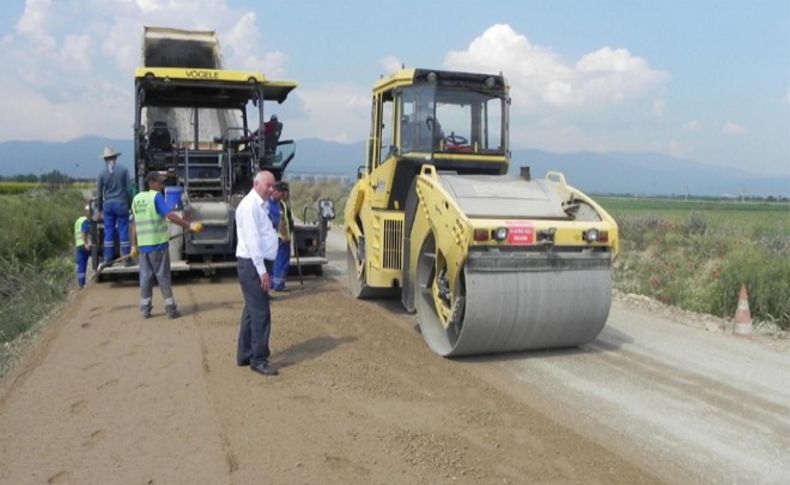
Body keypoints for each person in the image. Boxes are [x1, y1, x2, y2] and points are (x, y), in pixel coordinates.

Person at [130, 171, 203, 319]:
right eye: (159, 182)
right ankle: (170, 309)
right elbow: (169, 215)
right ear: (151, 183)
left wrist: (134, 245)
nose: (162, 185)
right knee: (163, 276)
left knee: (145, 277)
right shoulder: (156, 197)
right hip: (157, 245)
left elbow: (134, 224)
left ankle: (145, 308)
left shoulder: (137, 199)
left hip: (144, 247)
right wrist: (188, 225)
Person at [235, 170, 279, 376]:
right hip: (253, 265)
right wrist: (262, 272)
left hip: (255, 264)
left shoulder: (261, 205)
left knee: (252, 311)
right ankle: (259, 359)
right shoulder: (249, 206)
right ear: (256, 184)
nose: (272, 189)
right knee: (261, 312)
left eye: (273, 186)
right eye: (268, 186)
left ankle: (245, 354)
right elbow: (252, 241)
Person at [96, 146, 131, 268]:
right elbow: (128, 189)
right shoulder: (124, 170)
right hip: (121, 204)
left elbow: (99, 194)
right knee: (123, 230)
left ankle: (108, 258)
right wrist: (129, 204)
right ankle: (126, 258)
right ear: (115, 157)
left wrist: (99, 210)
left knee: (109, 231)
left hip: (108, 206)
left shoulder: (101, 174)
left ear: (105, 159)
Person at [272, 181, 292, 291]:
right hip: (281, 239)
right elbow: (280, 222)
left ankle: (274, 283)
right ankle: (278, 284)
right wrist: (284, 236)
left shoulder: (279, 203)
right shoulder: (277, 205)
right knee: (281, 261)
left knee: (277, 261)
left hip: (278, 238)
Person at [74, 205, 92, 289]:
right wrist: (86, 243)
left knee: (81, 264)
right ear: (86, 212)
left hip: (78, 245)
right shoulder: (85, 221)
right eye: (89, 211)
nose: (91, 213)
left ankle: (81, 283)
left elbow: (76, 233)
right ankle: (83, 283)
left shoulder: (78, 220)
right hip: (84, 245)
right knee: (84, 264)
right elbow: (83, 232)